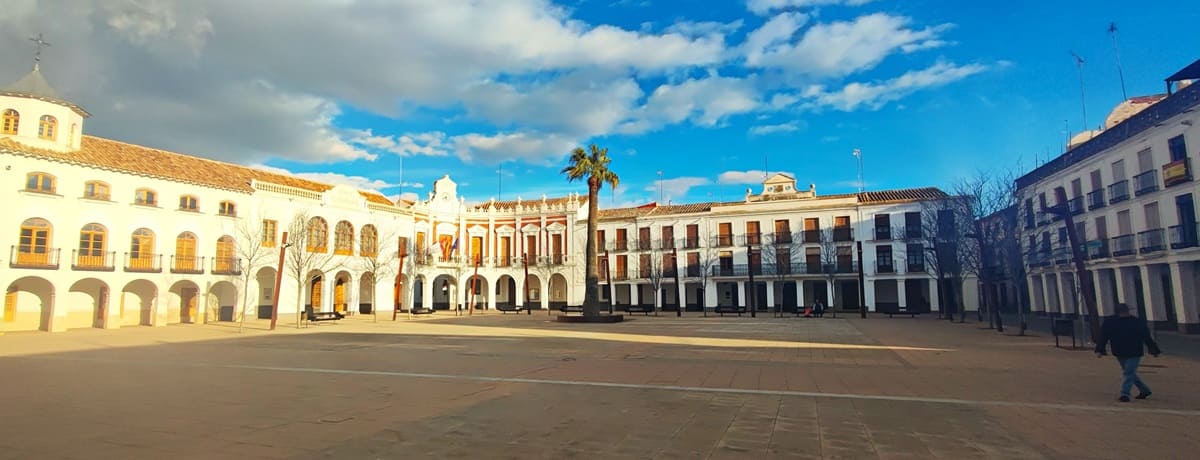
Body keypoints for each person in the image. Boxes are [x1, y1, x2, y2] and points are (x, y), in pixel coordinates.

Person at [1094, 303, 1161, 402]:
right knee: (1130, 372)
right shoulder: (1137, 322)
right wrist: (1154, 350)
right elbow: (1146, 337)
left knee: (1128, 372)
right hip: (1133, 350)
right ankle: (1144, 390)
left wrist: (1100, 350)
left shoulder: (1110, 322)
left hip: (1120, 350)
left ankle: (1125, 394)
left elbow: (1103, 336)